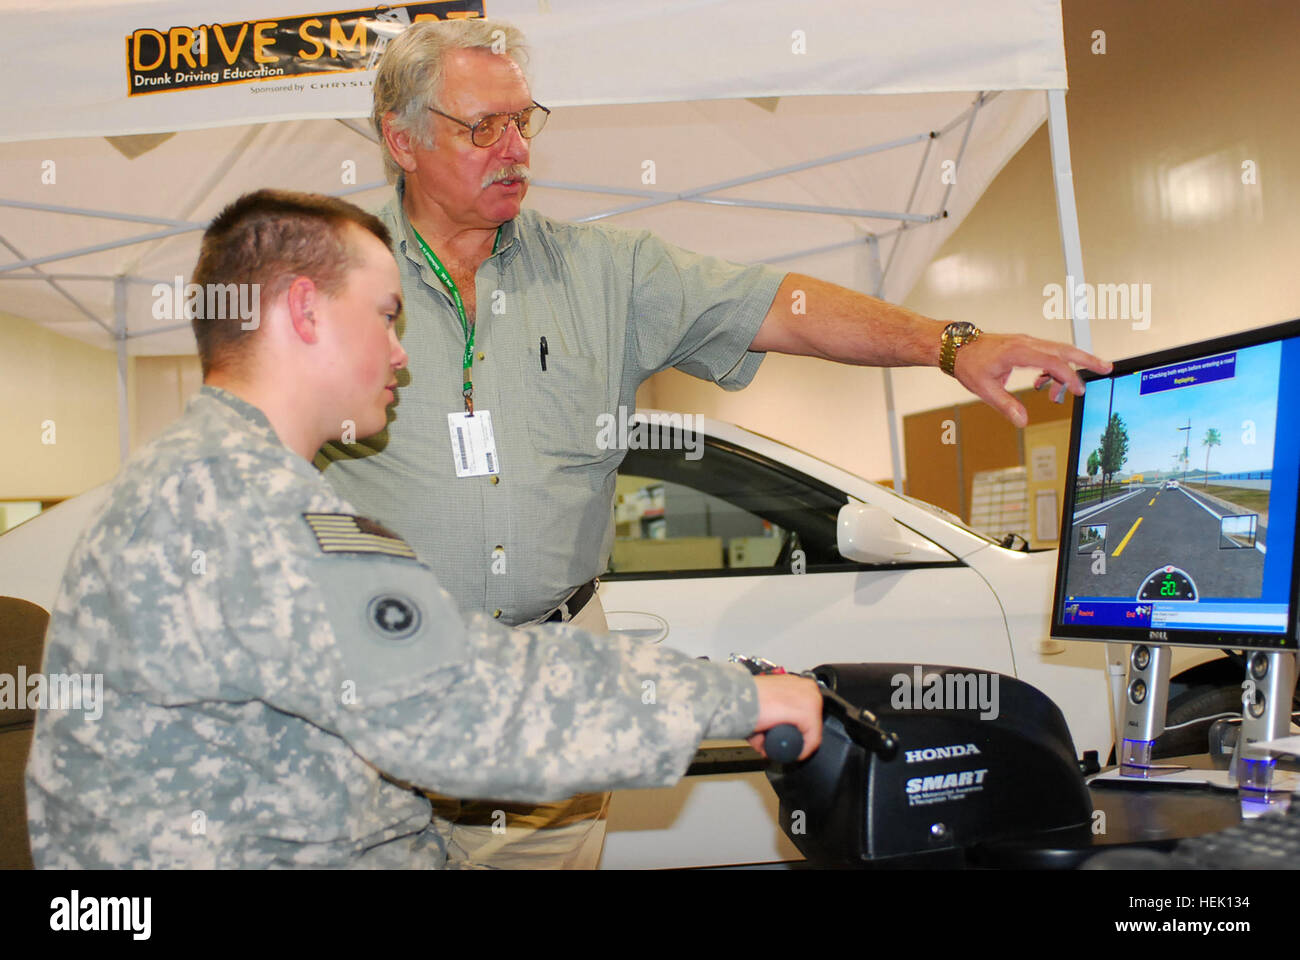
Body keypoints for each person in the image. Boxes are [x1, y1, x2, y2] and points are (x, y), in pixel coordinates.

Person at [316, 18, 1112, 867]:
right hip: (377, 694)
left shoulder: (605, 275)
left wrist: (952, 345)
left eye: (524, 120)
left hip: (551, 698)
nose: (514, 148)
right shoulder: (327, 281)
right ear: (400, 139)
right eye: (482, 128)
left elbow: (782, 307)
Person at [23, 189, 822, 869]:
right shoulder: (249, 504)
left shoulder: (206, 473)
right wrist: (735, 699)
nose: (401, 355)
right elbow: (461, 705)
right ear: (304, 310)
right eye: (385, 315)